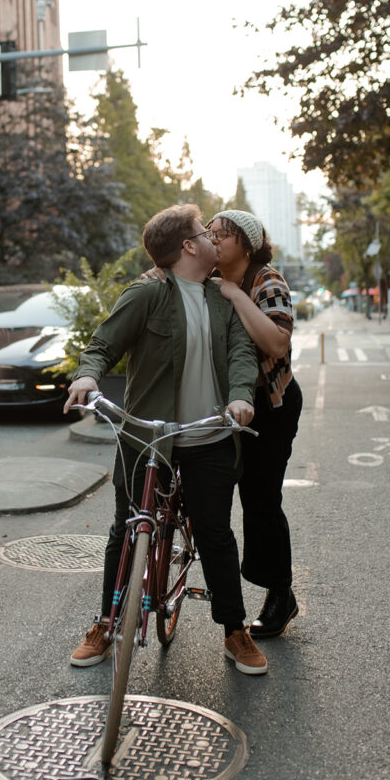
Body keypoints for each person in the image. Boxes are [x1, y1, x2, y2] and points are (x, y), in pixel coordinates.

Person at [64, 204, 269, 675]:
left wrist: (241, 398)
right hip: (147, 439)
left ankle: (234, 630)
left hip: (210, 434)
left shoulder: (223, 298)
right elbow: (102, 345)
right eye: (205, 231)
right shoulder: (147, 293)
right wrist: (86, 378)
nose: (213, 237)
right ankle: (106, 623)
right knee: (127, 526)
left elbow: (242, 354)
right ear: (188, 246)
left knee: (216, 535)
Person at [207, 210, 302, 638]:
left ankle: (282, 594)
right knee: (230, 494)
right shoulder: (208, 275)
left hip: (271, 405)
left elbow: (277, 343)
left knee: (262, 498)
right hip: (230, 403)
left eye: (222, 234)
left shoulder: (267, 280)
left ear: (245, 244)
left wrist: (234, 294)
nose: (213, 239)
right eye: (209, 233)